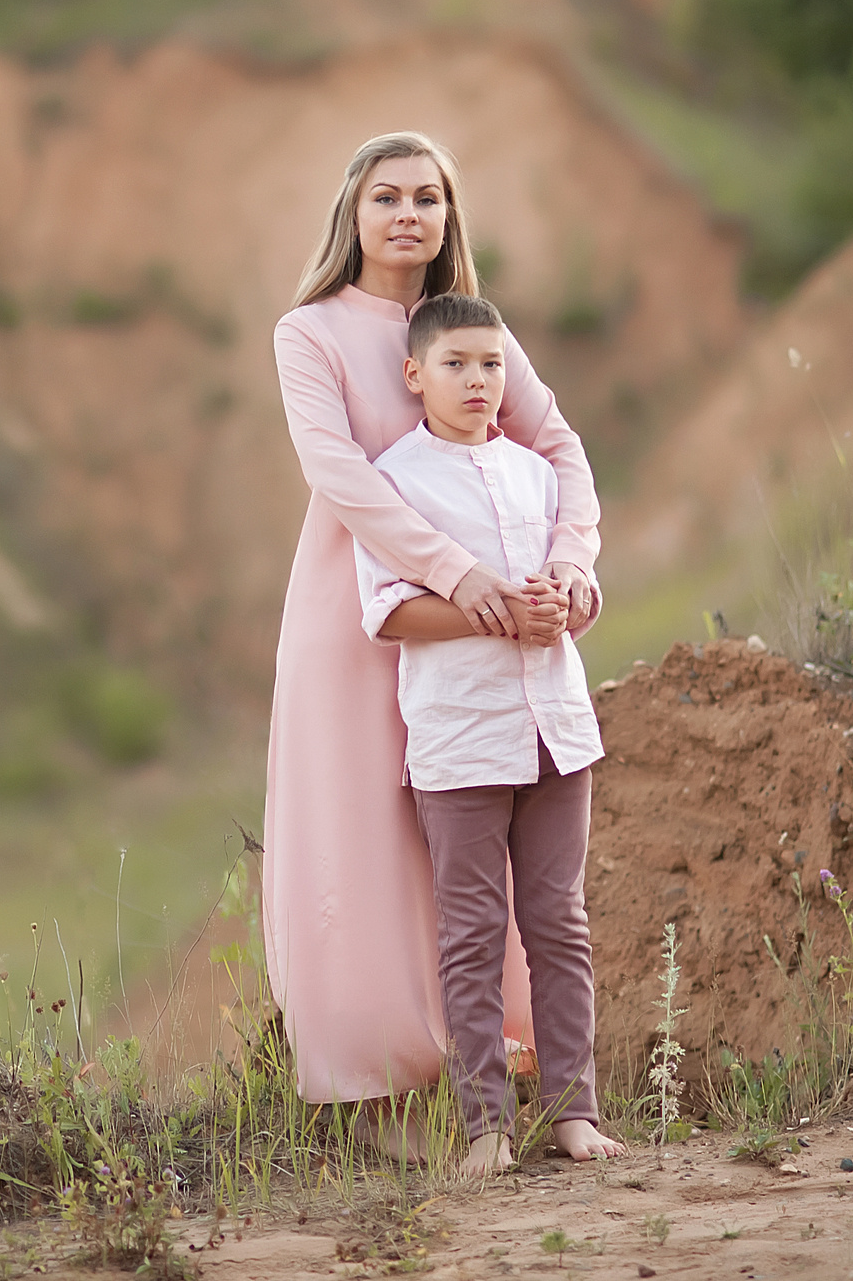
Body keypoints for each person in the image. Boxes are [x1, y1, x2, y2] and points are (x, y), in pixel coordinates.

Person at [263, 131, 601, 1157]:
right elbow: (344, 476)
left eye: (427, 196)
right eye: (386, 196)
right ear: (352, 215)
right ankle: (383, 1093)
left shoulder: (468, 330)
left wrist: (575, 564)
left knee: (465, 864)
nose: (407, 214)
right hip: (359, 610)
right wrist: (463, 580)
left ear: (449, 216)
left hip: (488, 632)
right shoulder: (308, 331)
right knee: (372, 850)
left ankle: (509, 1080)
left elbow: (557, 445)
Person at [355, 293, 624, 1174]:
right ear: (415, 375)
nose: (477, 381)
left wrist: (566, 597)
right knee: (471, 932)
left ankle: (574, 1112)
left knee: (561, 923)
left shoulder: (538, 474)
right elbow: (388, 616)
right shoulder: (393, 480)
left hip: (557, 731)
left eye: (492, 365)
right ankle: (486, 1128)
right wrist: (491, 614)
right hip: (460, 737)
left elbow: (578, 595)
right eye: (456, 365)